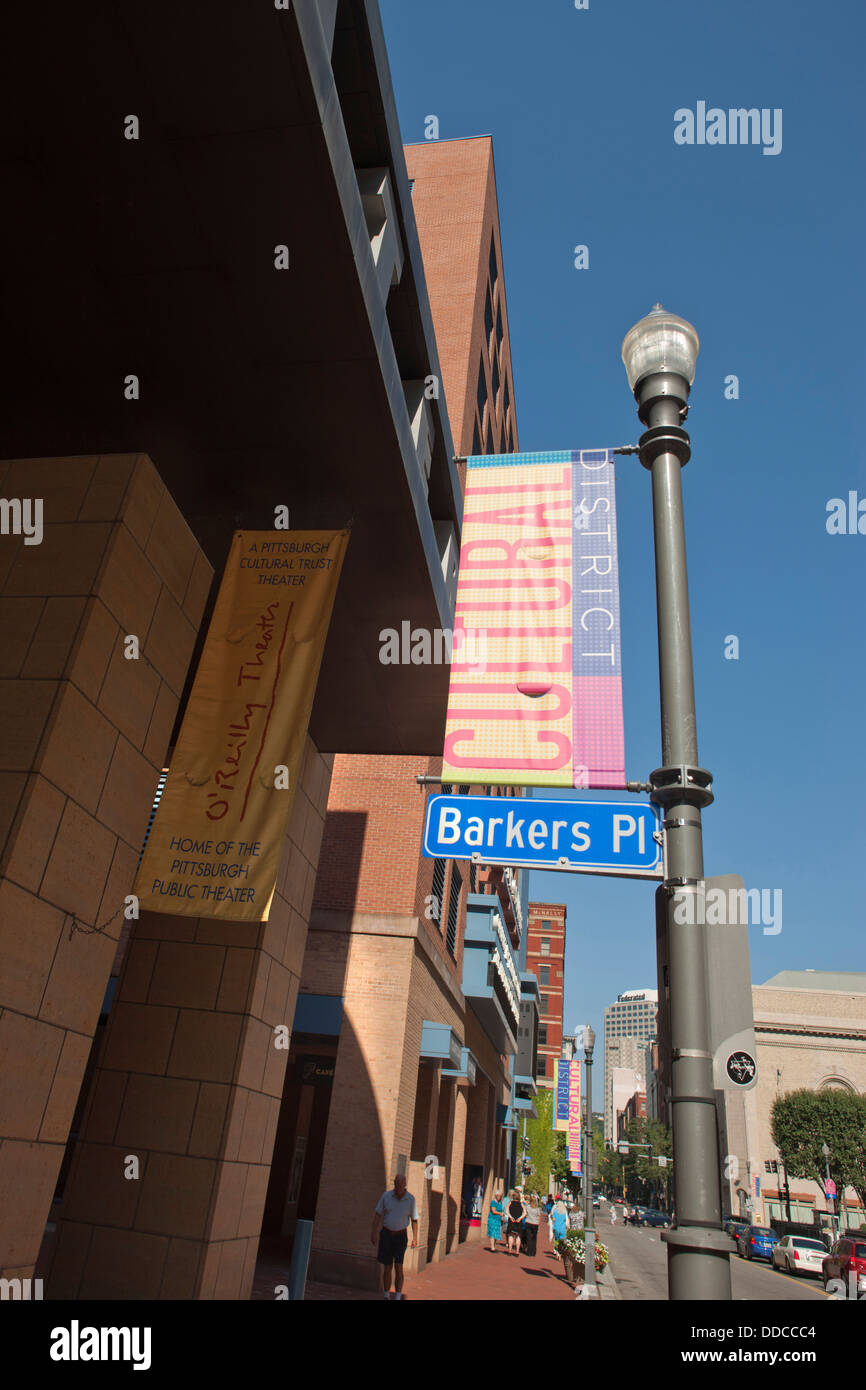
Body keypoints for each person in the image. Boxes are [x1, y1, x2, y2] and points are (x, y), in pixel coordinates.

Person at [371, 1173, 419, 1300]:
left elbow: (414, 1219)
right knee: (387, 1266)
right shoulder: (386, 1196)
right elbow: (377, 1214)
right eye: (396, 1185)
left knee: (399, 1266)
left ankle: (397, 1295)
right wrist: (374, 1231)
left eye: (400, 1186)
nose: (398, 1189)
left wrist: (415, 1237)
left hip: (400, 1236)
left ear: (405, 1185)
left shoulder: (410, 1199)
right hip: (387, 1234)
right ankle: (386, 1294)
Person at [505, 1189, 527, 1256]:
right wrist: (520, 1218)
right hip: (518, 1221)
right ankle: (517, 1251)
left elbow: (506, 1211)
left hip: (511, 1221)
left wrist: (510, 1217)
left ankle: (510, 1250)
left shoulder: (510, 1203)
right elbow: (525, 1212)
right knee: (518, 1236)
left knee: (511, 1235)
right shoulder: (521, 1204)